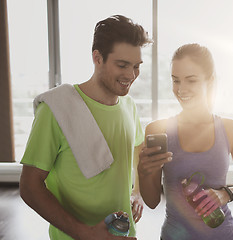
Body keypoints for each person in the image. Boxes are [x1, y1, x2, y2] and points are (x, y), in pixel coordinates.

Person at [19, 15, 152, 240]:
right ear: (97, 58)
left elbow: (138, 149)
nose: (131, 75)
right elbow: (30, 186)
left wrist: (137, 192)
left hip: (124, 234)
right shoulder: (55, 110)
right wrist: (84, 233)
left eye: (136, 67)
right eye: (122, 65)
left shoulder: (129, 106)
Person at [137, 43, 233, 240]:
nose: (181, 89)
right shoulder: (157, 130)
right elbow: (151, 202)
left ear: (209, 81)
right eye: (176, 81)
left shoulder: (231, 129)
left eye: (190, 80)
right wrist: (143, 171)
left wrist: (226, 194)